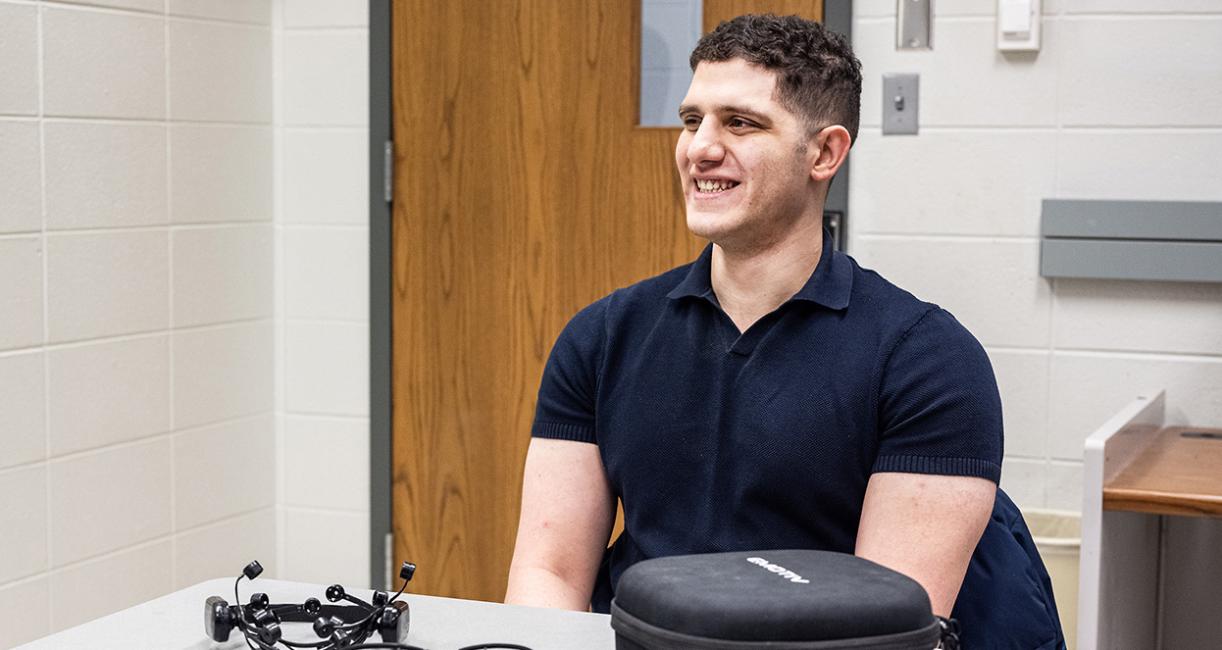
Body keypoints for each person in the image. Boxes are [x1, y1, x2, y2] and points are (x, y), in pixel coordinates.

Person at [505, 14, 1065, 649]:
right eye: (693, 120)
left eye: (739, 123)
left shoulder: (928, 360)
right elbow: (549, 573)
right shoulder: (603, 337)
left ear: (824, 153)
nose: (699, 149)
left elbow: (882, 629)